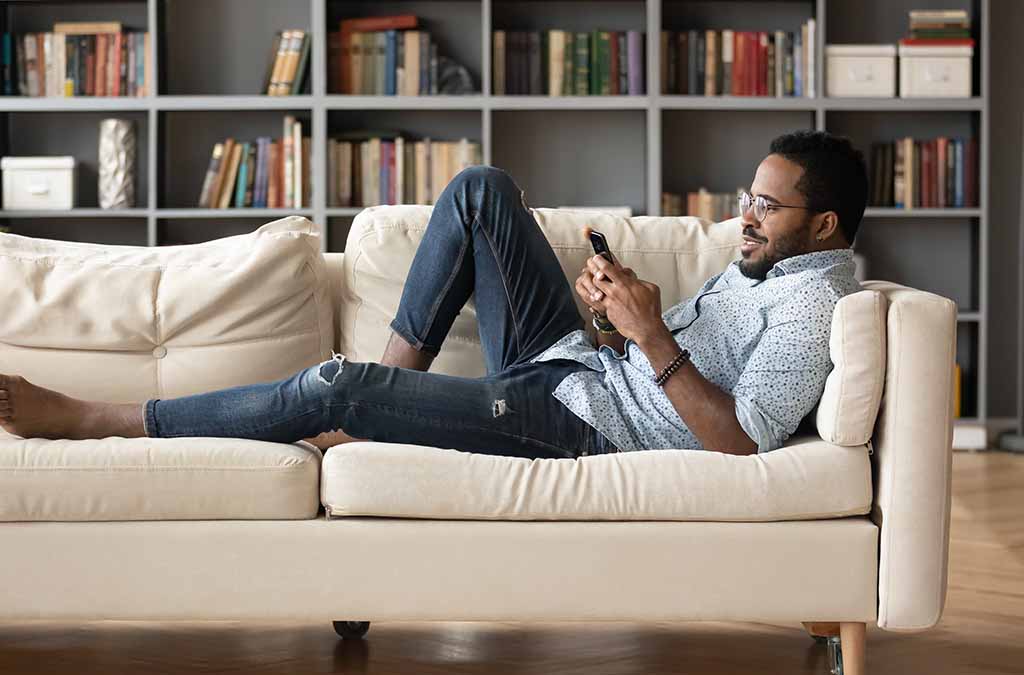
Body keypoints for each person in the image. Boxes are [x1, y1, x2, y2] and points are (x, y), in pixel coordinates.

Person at [0, 129, 867, 459]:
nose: (744, 216)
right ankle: (385, 396)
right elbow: (650, 361)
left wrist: (652, 341)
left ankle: (93, 417)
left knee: (334, 383)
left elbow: (745, 440)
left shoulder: (810, 307)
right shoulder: (758, 265)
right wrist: (615, 316)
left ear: (824, 225)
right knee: (481, 190)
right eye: (748, 197)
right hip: (582, 370)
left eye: (767, 205)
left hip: (582, 426)